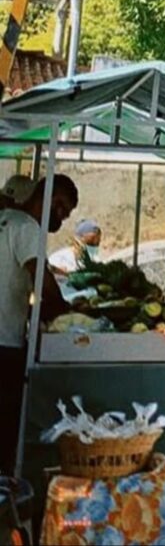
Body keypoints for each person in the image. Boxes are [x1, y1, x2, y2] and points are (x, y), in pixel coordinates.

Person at [0, 175, 78, 474]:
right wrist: (66, 311)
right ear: (47, 198)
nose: (61, 217)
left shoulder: (6, 219)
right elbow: (42, 281)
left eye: (66, 213)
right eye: (61, 208)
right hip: (5, 342)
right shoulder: (28, 228)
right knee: (5, 427)